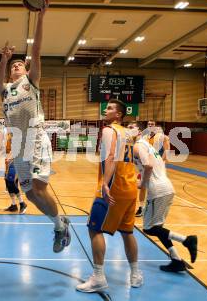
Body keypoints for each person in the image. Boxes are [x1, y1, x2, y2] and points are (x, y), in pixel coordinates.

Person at [0, 3, 71, 253]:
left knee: (39, 187)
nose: (16, 66)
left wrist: (40, 18)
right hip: (18, 145)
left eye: (19, 64)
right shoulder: (6, 89)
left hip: (35, 137)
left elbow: (36, 50)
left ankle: (59, 228)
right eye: (13, 66)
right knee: (29, 194)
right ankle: (60, 225)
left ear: (26, 69)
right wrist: (4, 59)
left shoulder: (31, 81)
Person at [77, 99, 143, 293]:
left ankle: (98, 277)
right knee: (127, 232)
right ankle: (135, 274)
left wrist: (105, 184)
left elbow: (111, 157)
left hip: (113, 187)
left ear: (119, 115)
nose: (106, 110)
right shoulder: (128, 134)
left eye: (111, 108)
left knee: (94, 229)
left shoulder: (109, 130)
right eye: (107, 107)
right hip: (130, 188)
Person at [129, 121, 198, 272]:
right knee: (156, 228)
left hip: (158, 191)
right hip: (165, 188)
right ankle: (177, 260)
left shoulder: (138, 146)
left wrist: (143, 184)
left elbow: (148, 166)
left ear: (140, 131)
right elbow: (152, 167)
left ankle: (187, 240)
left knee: (149, 228)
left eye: (131, 128)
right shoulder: (149, 147)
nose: (128, 130)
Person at [136, 121, 170, 217]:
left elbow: (167, 151)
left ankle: (155, 208)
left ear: (156, 126)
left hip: (157, 166)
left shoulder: (163, 137)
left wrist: (160, 161)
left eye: (152, 124)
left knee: (156, 188)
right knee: (142, 187)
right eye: (149, 124)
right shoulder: (144, 138)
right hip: (146, 165)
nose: (150, 126)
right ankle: (141, 207)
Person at [0, 128, 27, 214]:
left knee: (12, 183)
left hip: (17, 165)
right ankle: (14, 205)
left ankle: (22, 203)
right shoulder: (11, 142)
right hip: (10, 164)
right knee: (8, 184)